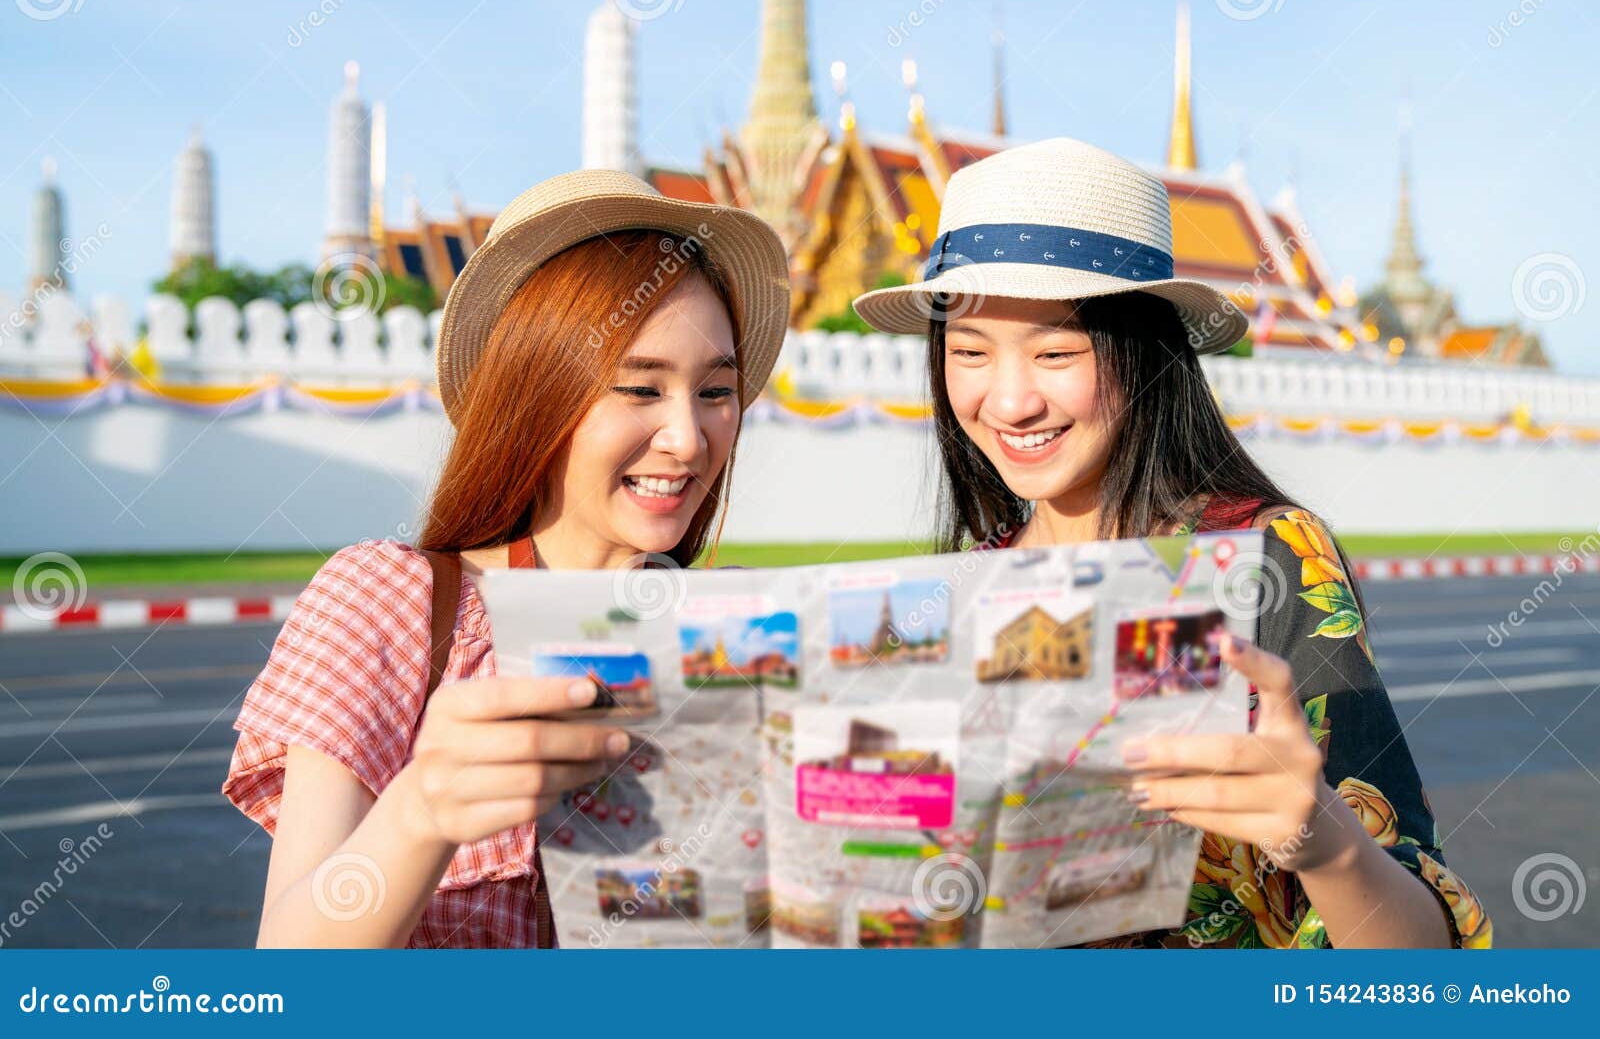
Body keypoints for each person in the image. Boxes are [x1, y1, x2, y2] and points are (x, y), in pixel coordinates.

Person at [853, 138, 1491, 948]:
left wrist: (1323, 838)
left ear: (1146, 353)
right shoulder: (965, 590)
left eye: (1055, 351)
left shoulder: (1268, 559)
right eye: (970, 352)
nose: (1008, 400)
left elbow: (1420, 972)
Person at [222, 169, 791, 947]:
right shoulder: (391, 601)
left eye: (716, 392)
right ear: (539, 394)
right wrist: (425, 807)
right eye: (639, 388)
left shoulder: (726, 633)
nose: (689, 438)